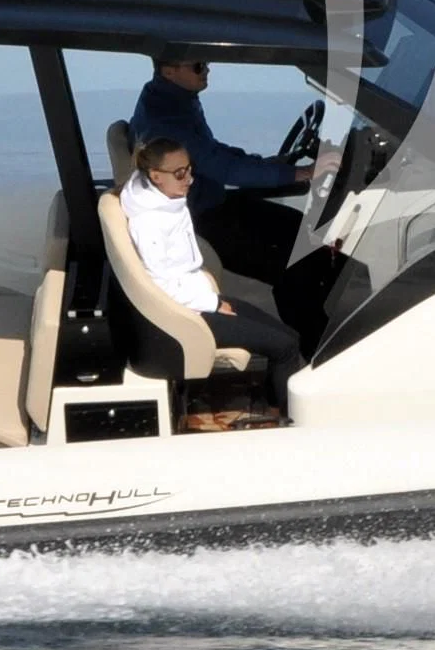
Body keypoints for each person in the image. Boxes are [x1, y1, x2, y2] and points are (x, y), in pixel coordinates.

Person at [116, 140, 304, 400]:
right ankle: (286, 419)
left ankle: (275, 407)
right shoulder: (150, 223)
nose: (189, 179)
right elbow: (162, 286)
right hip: (188, 311)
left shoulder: (164, 202)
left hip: (196, 299)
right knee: (286, 347)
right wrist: (212, 303)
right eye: (180, 173)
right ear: (155, 176)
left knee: (290, 336)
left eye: (190, 169)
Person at [127, 51, 318, 289]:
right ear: (169, 71)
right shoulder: (166, 121)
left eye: (205, 63)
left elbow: (211, 151)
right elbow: (223, 168)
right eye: (198, 65)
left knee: (299, 228)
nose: (207, 70)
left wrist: (267, 163)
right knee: (296, 264)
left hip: (212, 203)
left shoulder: (171, 100)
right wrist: (300, 173)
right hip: (199, 221)